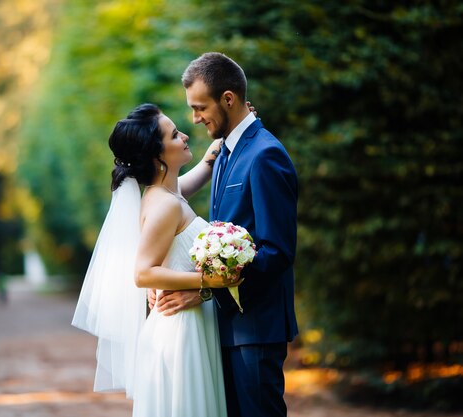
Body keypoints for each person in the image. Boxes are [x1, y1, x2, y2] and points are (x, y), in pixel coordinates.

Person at [153, 52, 299, 417]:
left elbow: (276, 251)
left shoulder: (265, 155)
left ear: (228, 99)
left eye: (200, 107)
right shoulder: (223, 153)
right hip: (228, 326)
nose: (195, 118)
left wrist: (204, 288)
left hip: (257, 328)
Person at [72, 103, 240, 417]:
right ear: (157, 155)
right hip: (181, 331)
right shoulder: (165, 205)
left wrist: (212, 154)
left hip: (186, 323)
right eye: (175, 135)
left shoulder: (166, 195)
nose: (186, 135)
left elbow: (186, 188)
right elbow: (144, 273)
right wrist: (210, 281)